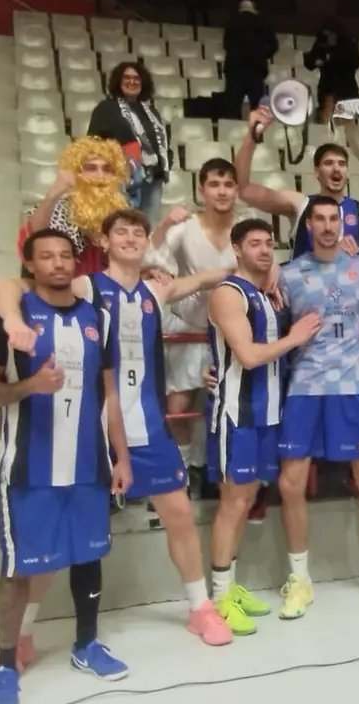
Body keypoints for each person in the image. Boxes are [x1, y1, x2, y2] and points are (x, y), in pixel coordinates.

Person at [0, 209, 238, 655]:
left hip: (147, 426)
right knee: (58, 533)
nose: (130, 238)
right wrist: (11, 318)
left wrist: (265, 266)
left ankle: (200, 608)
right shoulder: (84, 286)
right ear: (104, 242)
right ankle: (23, 633)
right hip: (90, 429)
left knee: (179, 514)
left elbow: (207, 278)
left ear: (147, 243)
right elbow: (6, 285)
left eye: (138, 232)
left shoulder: (156, 290)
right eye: (120, 231)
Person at [0, 229, 134, 704]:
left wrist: (121, 456)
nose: (59, 263)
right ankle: (6, 664)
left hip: (88, 465)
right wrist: (30, 387)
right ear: (31, 264)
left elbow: (110, 394)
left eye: (66, 255)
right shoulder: (7, 318)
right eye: (47, 256)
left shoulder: (98, 318)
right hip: (29, 470)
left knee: (89, 555)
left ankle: (86, 644)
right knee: (17, 569)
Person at [275, 195, 359, 617]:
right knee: (291, 483)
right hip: (305, 384)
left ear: (345, 225)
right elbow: (267, 327)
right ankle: (300, 580)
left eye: (335, 218)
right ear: (309, 226)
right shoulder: (287, 275)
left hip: (353, 383)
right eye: (320, 218)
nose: (329, 225)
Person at [206, 219, 321, 634]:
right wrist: (295, 337)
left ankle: (229, 587)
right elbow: (250, 356)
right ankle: (219, 596)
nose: (264, 250)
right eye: (254, 243)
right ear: (236, 249)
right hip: (239, 412)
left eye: (269, 243)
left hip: (269, 411)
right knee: (233, 502)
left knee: (248, 497)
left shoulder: (263, 295)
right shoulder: (227, 293)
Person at [148, 159, 248, 490]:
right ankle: (183, 472)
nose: (222, 191)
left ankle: (216, 472)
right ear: (201, 190)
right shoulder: (183, 227)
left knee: (224, 407)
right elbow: (150, 265)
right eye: (214, 184)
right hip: (187, 325)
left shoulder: (247, 228)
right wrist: (162, 225)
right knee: (178, 406)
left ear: (236, 189)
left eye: (228, 184)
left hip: (230, 330)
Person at [237, 107, 359, 260]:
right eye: (328, 163)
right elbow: (244, 190)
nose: (336, 169)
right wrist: (252, 136)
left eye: (341, 164)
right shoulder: (299, 204)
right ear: (316, 171)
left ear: (347, 173)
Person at [22, 137, 130, 278]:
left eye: (107, 169)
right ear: (76, 173)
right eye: (91, 168)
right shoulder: (60, 207)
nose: (100, 176)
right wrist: (55, 191)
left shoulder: (125, 212)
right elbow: (38, 235)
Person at [87, 61, 171, 224]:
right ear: (118, 81)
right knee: (121, 224)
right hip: (122, 177)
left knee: (149, 227)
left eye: (136, 78)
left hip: (153, 179)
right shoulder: (106, 108)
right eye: (126, 78)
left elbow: (163, 142)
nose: (131, 82)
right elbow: (93, 143)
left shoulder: (152, 112)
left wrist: (166, 161)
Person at [221, 0, 277, 119]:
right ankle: (258, 134)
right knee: (257, 106)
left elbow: (226, 44)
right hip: (255, 69)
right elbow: (274, 45)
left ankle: (231, 131)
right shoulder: (262, 22)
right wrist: (263, 55)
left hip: (235, 69)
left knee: (233, 105)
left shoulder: (232, 21)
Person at [302, 17, 359, 123]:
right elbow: (309, 63)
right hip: (327, 89)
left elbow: (356, 62)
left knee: (345, 123)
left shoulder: (348, 44)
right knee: (326, 121)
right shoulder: (321, 43)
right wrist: (318, 60)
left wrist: (331, 57)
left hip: (346, 90)